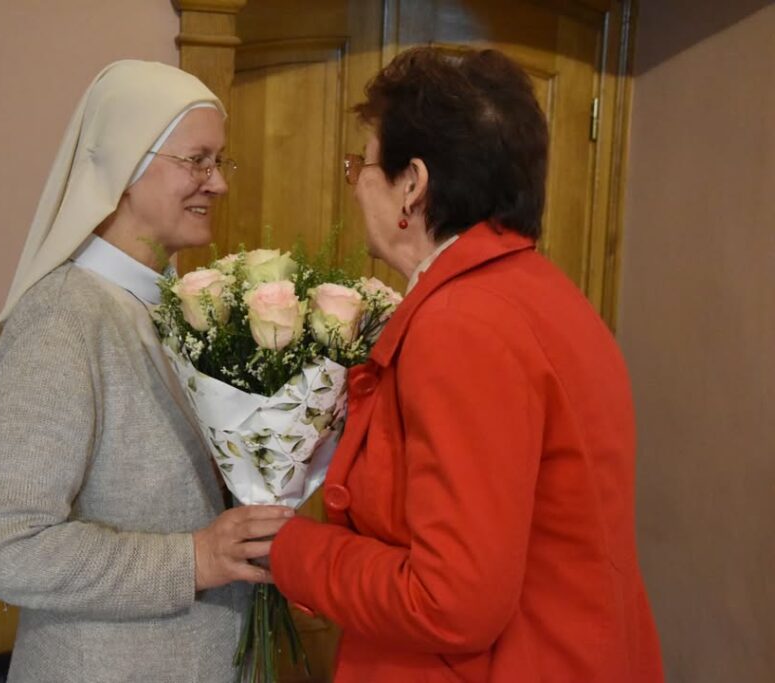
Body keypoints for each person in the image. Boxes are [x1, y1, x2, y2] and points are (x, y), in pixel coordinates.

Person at [269, 47, 664, 682]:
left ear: (412, 183)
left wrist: (289, 549)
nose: (357, 183)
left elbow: (450, 601)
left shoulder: (462, 322)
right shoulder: (540, 294)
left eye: (362, 164)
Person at [0, 60, 291, 683]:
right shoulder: (62, 317)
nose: (219, 183)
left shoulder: (178, 307)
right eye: (197, 161)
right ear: (125, 166)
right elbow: (5, 547)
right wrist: (194, 560)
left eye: (220, 161)